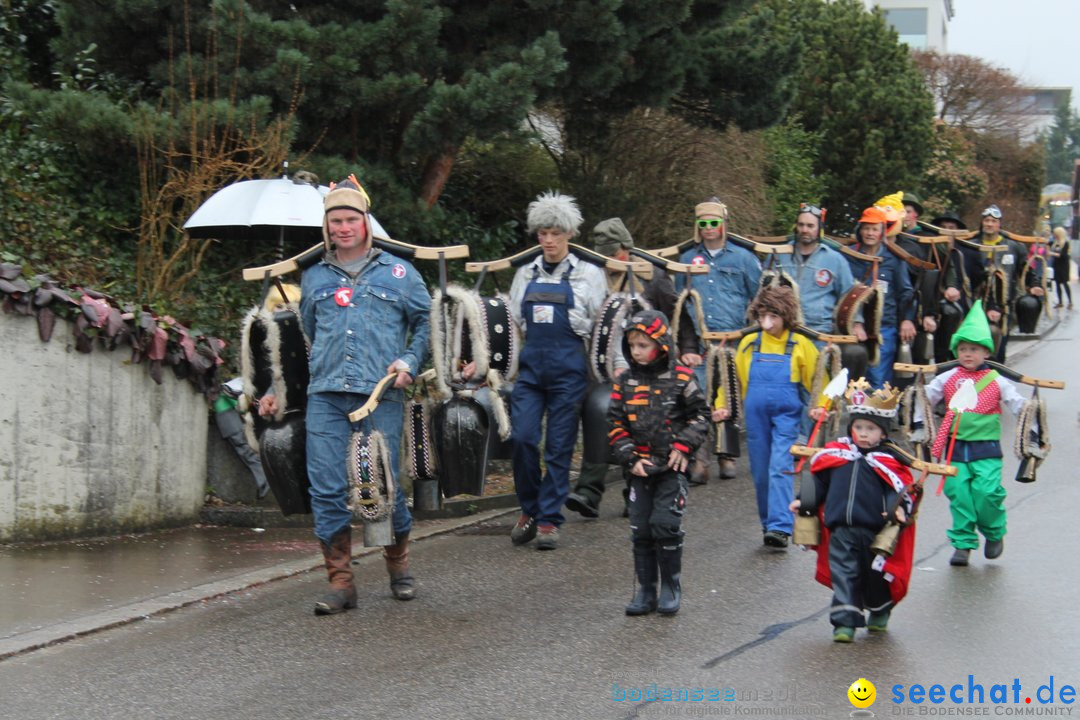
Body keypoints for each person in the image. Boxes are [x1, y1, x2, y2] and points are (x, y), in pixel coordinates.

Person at [258, 176, 431, 614]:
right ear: (326, 226)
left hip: (380, 395)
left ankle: (399, 564)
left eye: (351, 219)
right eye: (335, 220)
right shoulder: (313, 276)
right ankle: (341, 582)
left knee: (382, 485)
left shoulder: (400, 272)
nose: (342, 227)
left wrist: (408, 361)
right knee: (327, 488)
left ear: (365, 223)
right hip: (327, 397)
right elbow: (307, 337)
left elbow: (426, 323)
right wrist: (281, 389)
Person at [566, 217, 699, 519]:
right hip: (602, 367)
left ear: (625, 249)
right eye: (601, 254)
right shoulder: (593, 276)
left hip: (647, 370)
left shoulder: (652, 275)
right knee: (599, 419)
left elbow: (678, 314)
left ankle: (636, 491)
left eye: (611, 253)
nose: (607, 260)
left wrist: (689, 350)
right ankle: (589, 490)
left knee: (640, 428)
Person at [507, 192, 607, 550]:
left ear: (568, 234)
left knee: (560, 446)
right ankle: (529, 508)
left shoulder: (590, 275)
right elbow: (514, 323)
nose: (548, 240)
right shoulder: (524, 274)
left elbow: (602, 327)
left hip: (569, 371)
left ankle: (549, 519)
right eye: (542, 233)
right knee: (522, 438)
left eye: (555, 233)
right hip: (531, 372)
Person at [790, 378, 916, 643]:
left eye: (870, 428)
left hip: (874, 531)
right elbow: (819, 481)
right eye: (858, 427)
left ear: (883, 433)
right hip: (840, 530)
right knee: (844, 573)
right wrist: (804, 501)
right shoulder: (837, 455)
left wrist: (900, 510)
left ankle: (880, 610)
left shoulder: (887, 461)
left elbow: (898, 489)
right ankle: (844, 623)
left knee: (874, 576)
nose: (863, 433)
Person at [608, 310, 709, 616]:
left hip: (671, 468)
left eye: (643, 345)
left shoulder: (681, 378)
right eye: (633, 345)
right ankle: (646, 590)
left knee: (665, 524)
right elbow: (615, 423)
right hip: (638, 468)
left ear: (661, 344)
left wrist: (684, 444)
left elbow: (701, 417)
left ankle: (670, 586)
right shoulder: (625, 381)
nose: (637, 351)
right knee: (641, 529)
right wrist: (629, 457)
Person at [912, 301, 1029, 567]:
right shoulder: (948, 377)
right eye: (963, 349)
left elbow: (1017, 403)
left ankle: (994, 532)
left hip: (986, 448)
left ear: (986, 352)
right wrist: (917, 420)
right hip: (954, 448)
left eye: (973, 349)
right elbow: (923, 398)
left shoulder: (997, 379)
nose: (967, 354)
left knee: (987, 493)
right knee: (959, 495)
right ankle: (963, 544)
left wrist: (1031, 415)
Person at [713, 285, 827, 549]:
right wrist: (722, 405)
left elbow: (819, 380)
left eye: (773, 317)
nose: (766, 323)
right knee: (761, 472)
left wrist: (821, 404)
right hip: (755, 419)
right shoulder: (749, 344)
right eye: (762, 316)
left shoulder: (801, 344)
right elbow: (732, 383)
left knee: (779, 467)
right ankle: (768, 524)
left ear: (786, 316)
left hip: (786, 417)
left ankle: (780, 526)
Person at [675, 198, 761, 483]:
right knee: (699, 399)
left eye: (714, 222)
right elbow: (679, 305)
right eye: (704, 223)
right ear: (697, 226)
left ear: (724, 224)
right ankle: (700, 460)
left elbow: (759, 299)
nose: (709, 228)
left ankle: (727, 454)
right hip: (700, 343)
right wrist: (686, 346)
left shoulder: (744, 259)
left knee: (729, 399)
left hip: (734, 339)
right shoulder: (686, 260)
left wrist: (753, 336)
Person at [954, 205, 1043, 362]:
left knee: (998, 350)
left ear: (999, 224)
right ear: (982, 222)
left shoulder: (1014, 247)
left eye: (993, 221)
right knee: (973, 348)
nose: (989, 224)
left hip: (1003, 308)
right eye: (986, 220)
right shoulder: (970, 246)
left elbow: (1025, 270)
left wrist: (1034, 285)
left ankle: (995, 383)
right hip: (974, 305)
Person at [843, 206, 919, 388]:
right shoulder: (847, 255)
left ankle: (878, 415)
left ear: (882, 232)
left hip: (884, 327)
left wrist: (907, 320)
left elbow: (906, 292)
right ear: (860, 230)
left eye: (874, 229)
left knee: (878, 378)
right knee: (852, 378)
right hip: (851, 327)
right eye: (866, 228)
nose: (870, 233)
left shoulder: (894, 258)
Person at [774, 204, 858, 338]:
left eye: (810, 226)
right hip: (782, 331)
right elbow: (763, 293)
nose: (804, 230)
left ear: (819, 228)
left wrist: (857, 323)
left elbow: (849, 297)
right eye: (801, 225)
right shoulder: (778, 254)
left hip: (819, 334)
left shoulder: (835, 260)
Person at [214, 377, 270, 499]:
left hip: (229, 423)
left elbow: (240, 404)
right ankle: (263, 482)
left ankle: (264, 481)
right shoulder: (229, 390)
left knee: (247, 453)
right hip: (230, 422)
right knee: (247, 453)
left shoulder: (226, 391)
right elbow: (241, 405)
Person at [1049, 226, 1072, 309]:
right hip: (1057, 265)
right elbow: (1048, 243)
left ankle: (1070, 302)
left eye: (1056, 234)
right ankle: (1060, 302)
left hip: (1064, 265)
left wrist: (1052, 254)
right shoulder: (1056, 242)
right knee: (1057, 283)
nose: (1054, 235)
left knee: (1065, 283)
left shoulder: (1065, 243)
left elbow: (1063, 255)